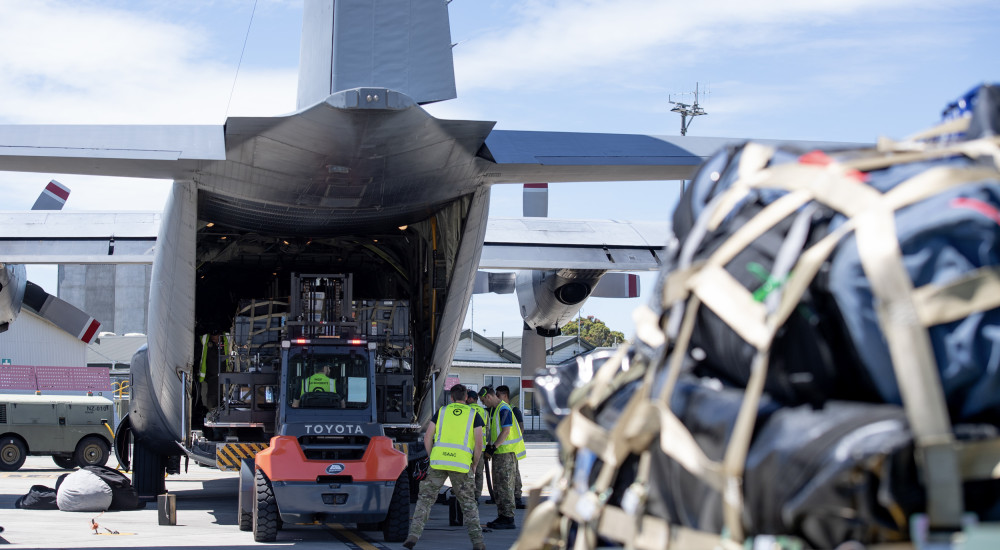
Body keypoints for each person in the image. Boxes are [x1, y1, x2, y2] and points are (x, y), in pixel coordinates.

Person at [404, 384, 485, 550]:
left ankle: (414, 534)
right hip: (462, 465)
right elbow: (479, 443)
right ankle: (477, 541)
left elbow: (428, 437)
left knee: (425, 499)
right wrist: (475, 464)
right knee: (468, 503)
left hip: (439, 462)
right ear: (466, 398)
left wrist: (431, 456)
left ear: (452, 398)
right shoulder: (473, 414)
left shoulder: (441, 412)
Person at [479, 385, 525, 529]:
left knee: (505, 487)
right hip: (500, 453)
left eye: (483, 401)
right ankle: (502, 516)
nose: (483, 404)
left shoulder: (504, 409)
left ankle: (508, 518)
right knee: (498, 487)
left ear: (488, 397)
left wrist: (493, 447)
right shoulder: (495, 410)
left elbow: (506, 431)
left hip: (506, 453)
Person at [495, 385, 526, 509]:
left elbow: (521, 429)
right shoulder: (499, 408)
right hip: (505, 448)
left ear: (505, 395)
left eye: (499, 395)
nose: (497, 398)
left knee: (514, 474)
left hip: (512, 448)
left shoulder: (513, 410)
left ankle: (517, 497)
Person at [466, 388, 489, 501]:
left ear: (470, 399)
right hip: (481, 447)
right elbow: (487, 430)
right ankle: (477, 496)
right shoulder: (484, 412)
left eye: (467, 398)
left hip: (468, 447)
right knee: (479, 473)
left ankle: (467, 494)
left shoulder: (466, 410)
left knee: (466, 472)